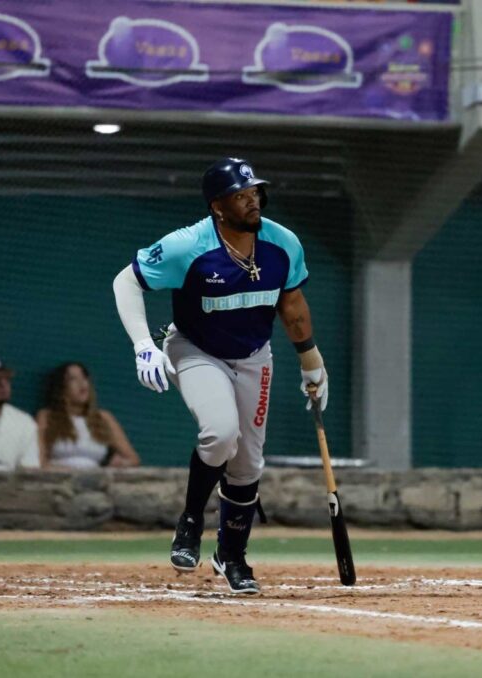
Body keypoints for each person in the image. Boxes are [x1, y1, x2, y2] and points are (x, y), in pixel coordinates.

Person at [112, 157, 328, 594]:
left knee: (247, 462)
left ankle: (231, 555)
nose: (253, 203)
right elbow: (126, 282)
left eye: (255, 194)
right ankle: (191, 520)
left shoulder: (282, 243)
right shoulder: (188, 245)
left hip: (254, 355)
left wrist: (312, 361)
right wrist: (143, 345)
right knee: (220, 433)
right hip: (195, 350)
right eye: (241, 197)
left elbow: (292, 305)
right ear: (218, 206)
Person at [37, 362, 140, 470]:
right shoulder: (46, 416)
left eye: (84, 377)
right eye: (73, 379)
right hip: (58, 479)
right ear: (61, 387)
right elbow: (39, 460)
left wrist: (120, 464)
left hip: (94, 480)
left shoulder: (103, 418)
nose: (82, 383)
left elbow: (133, 458)